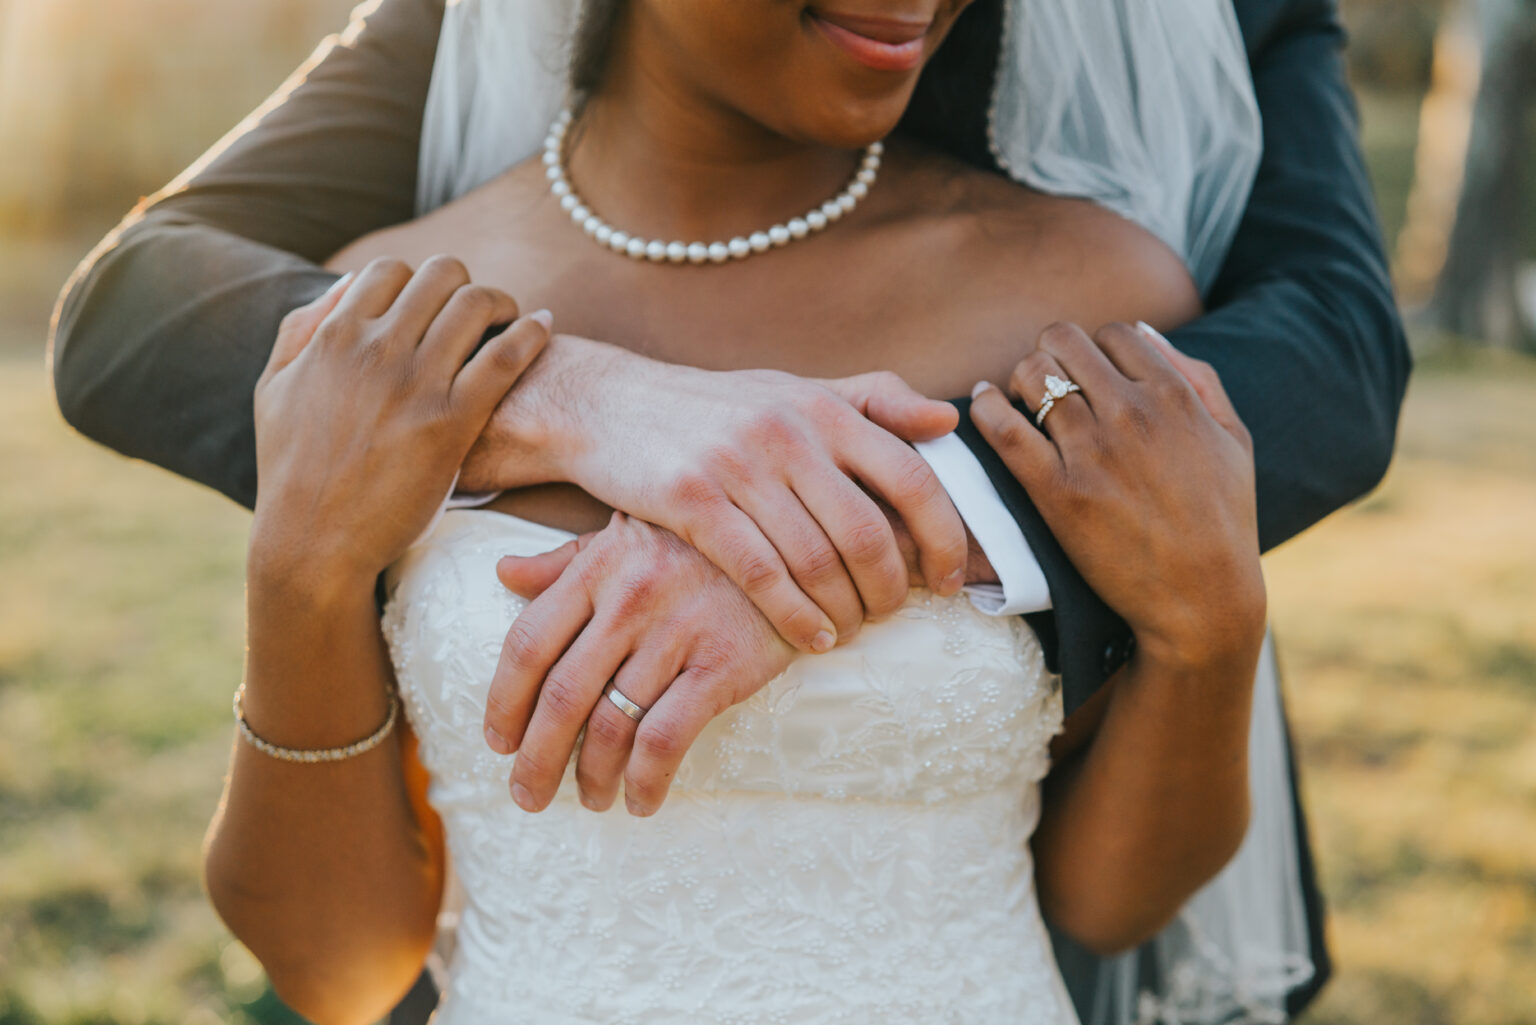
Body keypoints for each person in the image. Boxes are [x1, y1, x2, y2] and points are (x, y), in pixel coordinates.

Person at [48, 0, 1411, 1021]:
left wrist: (1210, 616)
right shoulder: (388, 320)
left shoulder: (1082, 301)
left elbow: (1113, 898)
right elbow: (336, 966)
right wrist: (302, 565)